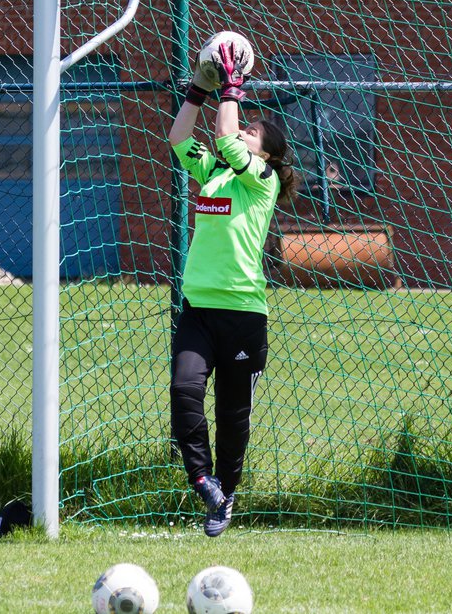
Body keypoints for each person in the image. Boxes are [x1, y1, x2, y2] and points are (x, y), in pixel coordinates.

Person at [166, 38, 298, 537]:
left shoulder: (260, 180)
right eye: (245, 125)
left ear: (266, 153)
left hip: (243, 316)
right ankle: (204, 482)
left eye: (253, 132)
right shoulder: (216, 172)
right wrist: (200, 90)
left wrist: (233, 87)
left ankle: (228, 491)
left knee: (232, 415)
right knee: (184, 392)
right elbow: (181, 140)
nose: (244, 131)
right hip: (198, 309)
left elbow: (225, 138)